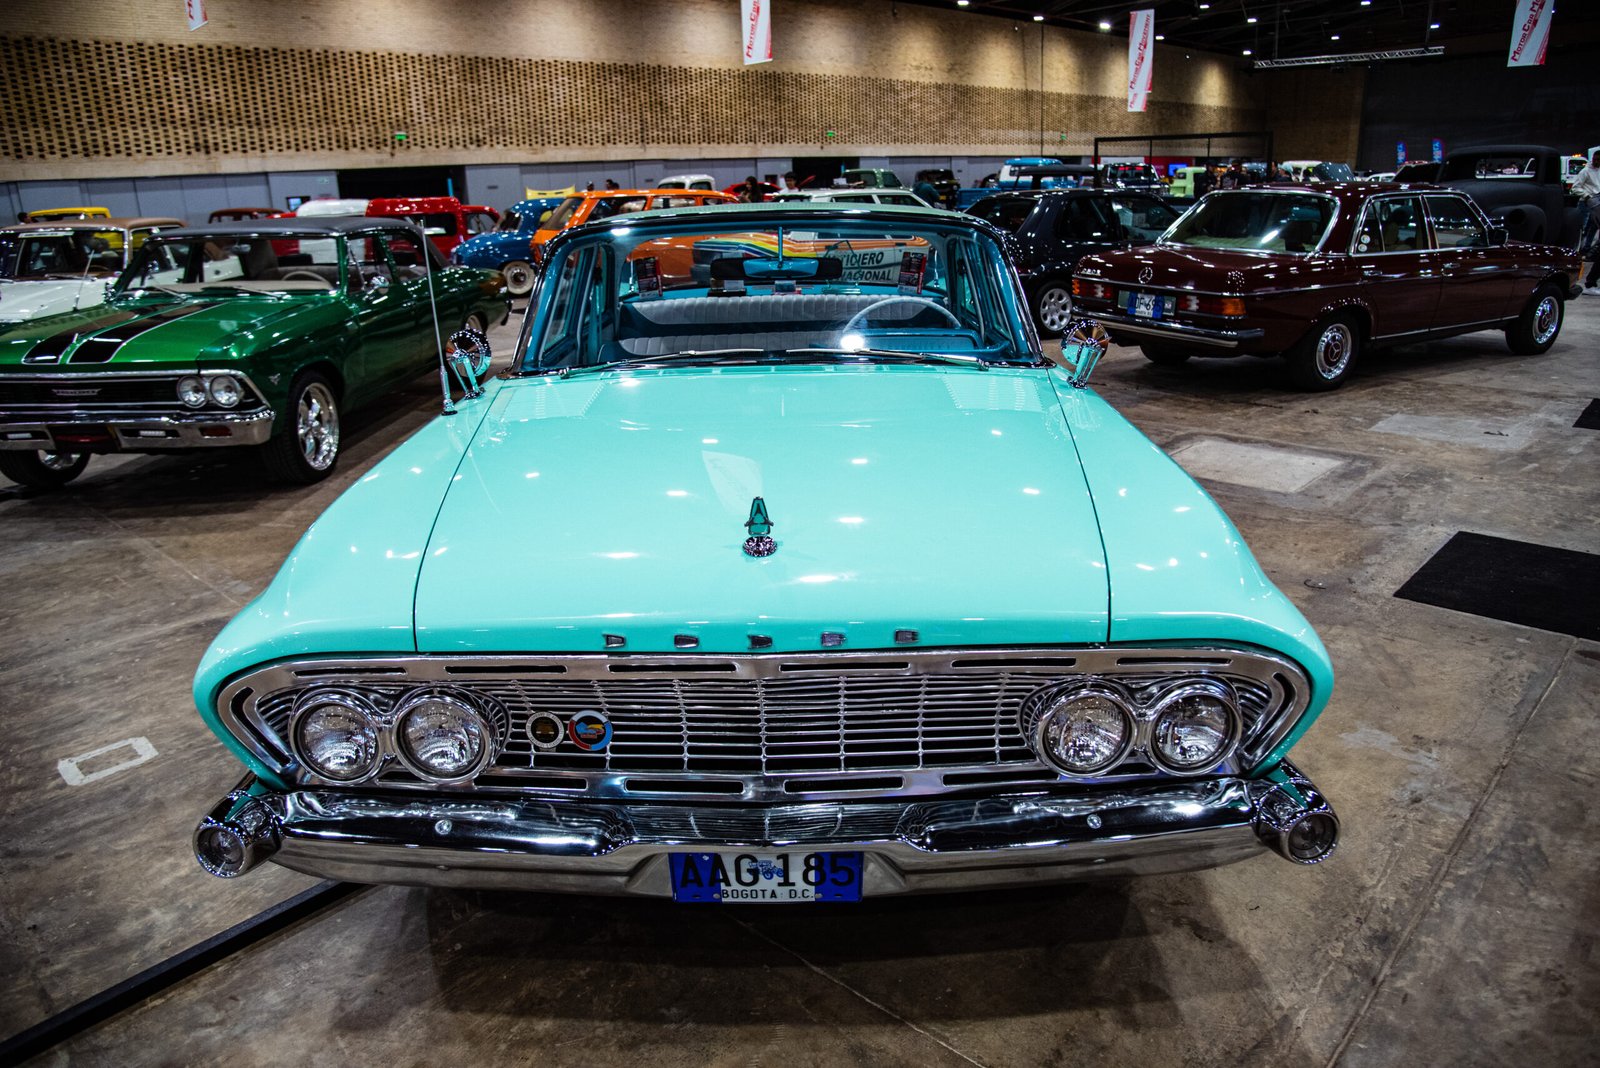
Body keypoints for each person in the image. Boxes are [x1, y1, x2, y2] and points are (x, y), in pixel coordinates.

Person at [1572, 151, 1600, 287]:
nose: (1596, 161)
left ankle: (1588, 248)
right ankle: (1579, 250)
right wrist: (1587, 196)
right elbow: (1575, 188)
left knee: (1593, 228)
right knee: (1583, 228)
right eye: (1595, 159)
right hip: (1586, 202)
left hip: (1597, 202)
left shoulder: (1599, 171)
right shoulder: (1585, 171)